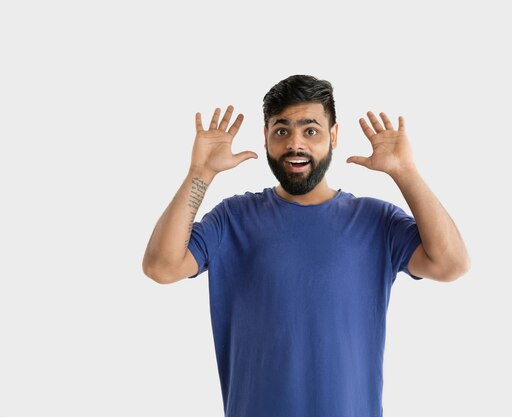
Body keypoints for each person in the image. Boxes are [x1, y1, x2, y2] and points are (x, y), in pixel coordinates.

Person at [142, 75, 470, 417]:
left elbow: (451, 264)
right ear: (266, 137)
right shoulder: (233, 218)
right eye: (281, 131)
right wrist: (201, 172)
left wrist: (405, 172)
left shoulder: (377, 221)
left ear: (334, 136)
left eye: (310, 130)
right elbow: (161, 267)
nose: (295, 144)